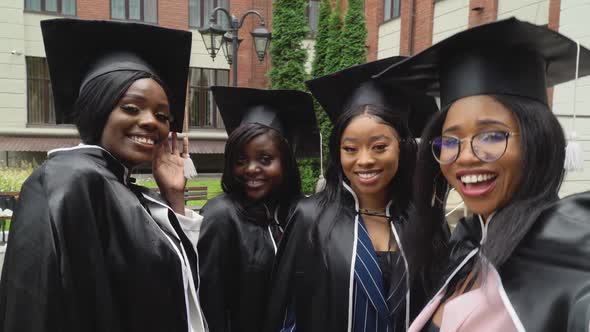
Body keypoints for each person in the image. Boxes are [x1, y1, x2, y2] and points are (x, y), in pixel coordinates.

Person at [375, 17, 590, 331]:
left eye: (491, 136)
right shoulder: (467, 242)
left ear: (538, 140)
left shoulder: (573, 254)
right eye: (450, 141)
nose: (465, 158)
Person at [0, 19, 207, 332]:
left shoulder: (122, 188)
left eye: (162, 116)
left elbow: (174, 282)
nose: (152, 122)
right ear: (98, 107)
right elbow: (33, 305)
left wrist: (174, 196)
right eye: (131, 107)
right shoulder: (69, 181)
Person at [264, 57, 438, 332]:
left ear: (402, 147)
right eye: (351, 148)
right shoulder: (311, 219)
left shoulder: (424, 221)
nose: (364, 160)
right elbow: (287, 315)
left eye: (379, 146)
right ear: (338, 152)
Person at [197, 87, 320, 332]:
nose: (251, 169)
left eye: (265, 159)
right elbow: (209, 304)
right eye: (241, 160)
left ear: (286, 163)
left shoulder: (299, 214)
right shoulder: (221, 216)